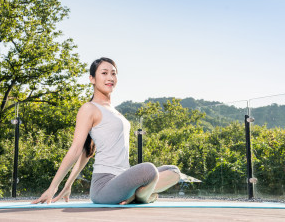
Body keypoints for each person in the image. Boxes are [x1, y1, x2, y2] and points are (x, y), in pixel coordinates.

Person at [32, 57, 181, 205]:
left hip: (123, 179)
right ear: (92, 79)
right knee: (149, 170)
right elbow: (77, 149)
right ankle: (141, 196)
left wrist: (68, 185)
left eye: (113, 73)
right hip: (104, 186)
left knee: (174, 172)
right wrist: (54, 187)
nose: (110, 77)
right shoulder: (89, 108)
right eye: (104, 73)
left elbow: (87, 151)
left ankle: (136, 195)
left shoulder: (114, 111)